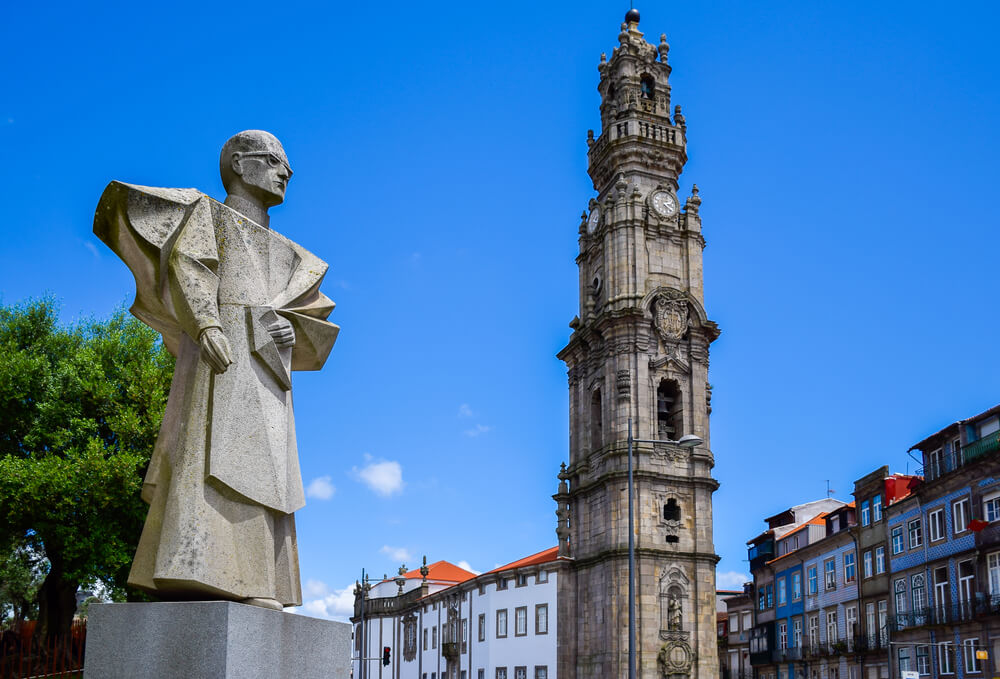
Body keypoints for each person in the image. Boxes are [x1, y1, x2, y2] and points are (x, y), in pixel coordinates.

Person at [93, 130, 339, 610]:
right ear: (240, 164)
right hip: (222, 355)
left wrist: (289, 333)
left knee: (268, 471)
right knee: (209, 456)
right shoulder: (207, 213)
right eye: (273, 160)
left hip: (268, 372)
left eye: (287, 165)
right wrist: (206, 323)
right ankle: (199, 567)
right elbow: (190, 267)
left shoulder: (293, 255)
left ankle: (259, 581)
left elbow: (306, 322)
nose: (286, 172)